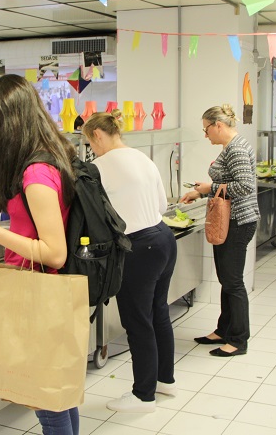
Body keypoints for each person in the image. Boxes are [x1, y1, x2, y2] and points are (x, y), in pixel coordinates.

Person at [0, 74, 80, 434]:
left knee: (44, 397)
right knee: (57, 392)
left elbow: (54, 253)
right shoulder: (50, 155)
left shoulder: (36, 173)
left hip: (38, 291)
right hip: (44, 288)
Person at [82, 111, 177, 413]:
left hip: (139, 247)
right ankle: (165, 380)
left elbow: (94, 217)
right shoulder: (142, 157)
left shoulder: (99, 167)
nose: (92, 149)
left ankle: (143, 396)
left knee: (138, 322)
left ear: (98, 135)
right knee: (159, 313)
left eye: (90, 143)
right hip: (164, 237)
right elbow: (162, 205)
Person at [180, 105, 258, 357]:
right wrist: (200, 192)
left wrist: (209, 188)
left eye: (206, 129)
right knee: (226, 279)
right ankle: (224, 329)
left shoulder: (236, 149)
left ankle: (238, 340)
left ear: (218, 125)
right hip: (230, 220)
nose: (206, 135)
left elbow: (244, 186)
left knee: (233, 282)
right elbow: (228, 183)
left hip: (238, 221)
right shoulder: (232, 146)